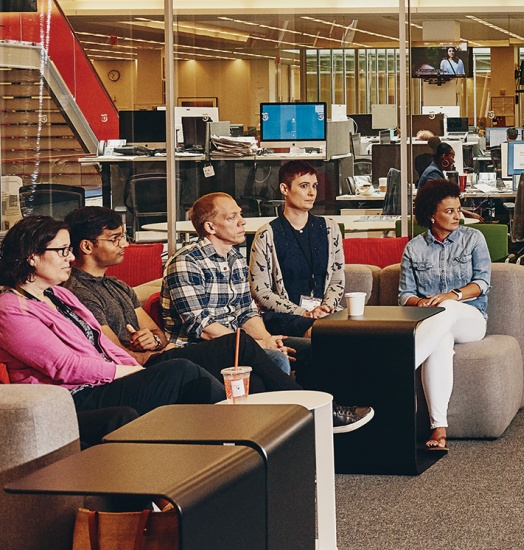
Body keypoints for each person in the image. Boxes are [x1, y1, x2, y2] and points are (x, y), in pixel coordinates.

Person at [163, 192, 372, 430]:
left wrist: (267, 340)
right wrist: (259, 345)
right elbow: (202, 327)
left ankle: (324, 428)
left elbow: (246, 312)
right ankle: (318, 416)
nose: (242, 221)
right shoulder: (186, 261)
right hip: (197, 348)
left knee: (317, 348)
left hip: (240, 345)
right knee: (274, 359)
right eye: (232, 217)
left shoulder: (234, 258)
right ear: (210, 227)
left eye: (240, 214)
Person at [0, 216, 224, 433]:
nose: (71, 258)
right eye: (63, 251)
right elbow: (65, 366)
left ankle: (218, 442)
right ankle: (233, 430)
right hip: (72, 396)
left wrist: (138, 371)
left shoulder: (59, 295)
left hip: (100, 384)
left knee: (188, 375)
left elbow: (102, 344)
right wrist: (126, 372)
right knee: (182, 372)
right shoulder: (10, 309)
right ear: (31, 256)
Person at [64, 206, 300, 397]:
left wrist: (154, 340)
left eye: (123, 237)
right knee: (240, 343)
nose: (124, 244)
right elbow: (116, 354)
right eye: (115, 239)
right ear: (87, 246)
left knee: (254, 380)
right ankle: (303, 402)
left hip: (160, 355)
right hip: (148, 366)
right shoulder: (80, 292)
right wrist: (158, 351)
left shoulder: (117, 285)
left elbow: (157, 333)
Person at [398, 179, 490, 451]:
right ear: (431, 215)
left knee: (447, 309)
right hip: (433, 322)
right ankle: (439, 427)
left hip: (471, 318)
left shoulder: (473, 239)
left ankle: (399, 367)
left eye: (458, 210)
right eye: (449, 211)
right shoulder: (414, 248)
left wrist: (453, 295)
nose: (457, 216)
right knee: (440, 342)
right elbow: (404, 295)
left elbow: (482, 283)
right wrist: (423, 302)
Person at [249, 161, 345, 338]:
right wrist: (303, 313)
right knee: (321, 333)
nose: (312, 193)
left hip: (325, 314)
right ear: (284, 189)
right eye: (304, 186)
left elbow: (337, 279)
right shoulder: (266, 234)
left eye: (314, 186)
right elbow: (260, 291)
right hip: (284, 316)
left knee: (352, 331)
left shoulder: (330, 229)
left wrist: (325, 308)